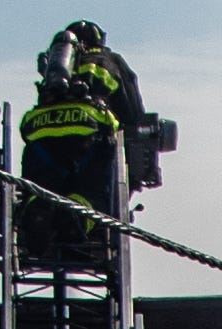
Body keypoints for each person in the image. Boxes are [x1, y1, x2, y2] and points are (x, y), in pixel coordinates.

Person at [17, 22, 151, 269]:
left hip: (41, 129)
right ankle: (77, 220)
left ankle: (37, 210)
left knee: (41, 186)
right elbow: (133, 113)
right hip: (89, 128)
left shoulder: (53, 64)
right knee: (93, 191)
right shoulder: (108, 60)